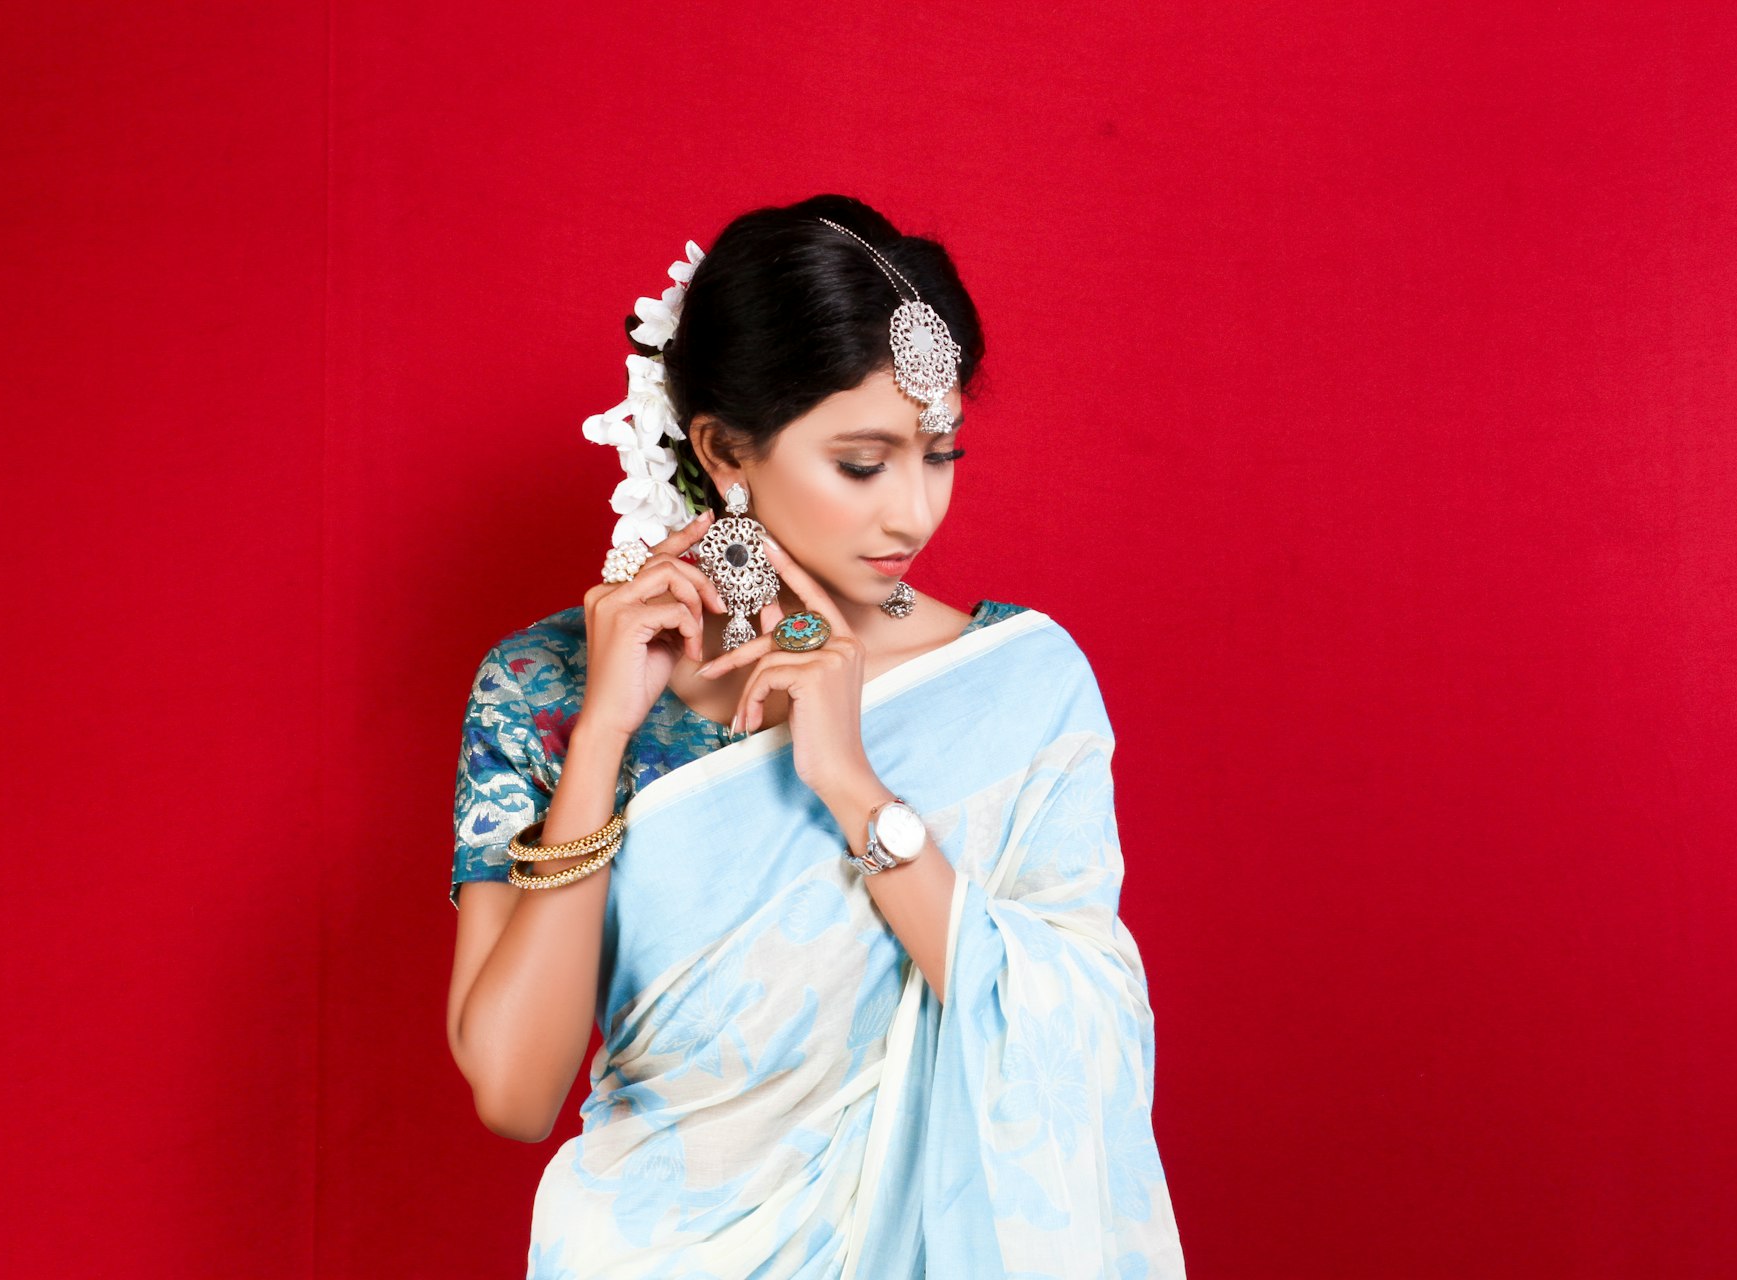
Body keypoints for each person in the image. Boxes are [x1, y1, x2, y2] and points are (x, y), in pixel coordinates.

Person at [446, 194, 1186, 1277]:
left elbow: (1085, 1044)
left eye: (941, 454)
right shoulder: (546, 687)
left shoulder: (1016, 688)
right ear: (723, 451)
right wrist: (603, 733)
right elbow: (514, 1088)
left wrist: (850, 783)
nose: (914, 513)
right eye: (862, 461)